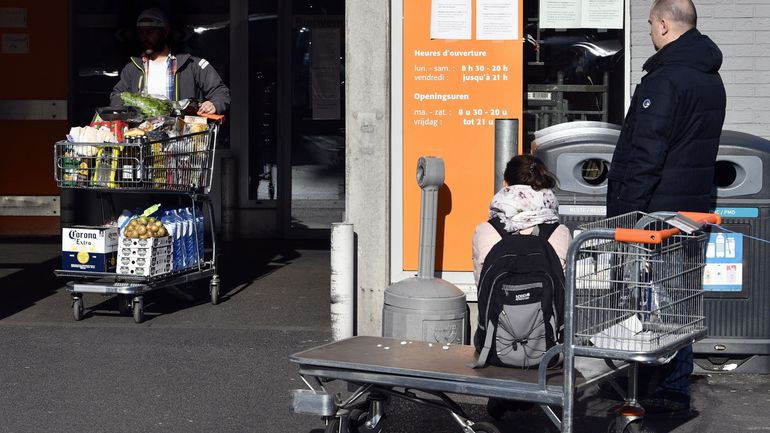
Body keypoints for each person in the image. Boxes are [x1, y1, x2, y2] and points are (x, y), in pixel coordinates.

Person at [604, 0, 726, 415]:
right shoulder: (710, 78)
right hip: (692, 208)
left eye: (651, 25)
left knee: (648, 299)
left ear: (663, 23)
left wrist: (627, 213)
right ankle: (668, 381)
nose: (649, 33)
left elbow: (645, 155)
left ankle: (662, 383)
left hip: (655, 213)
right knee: (680, 299)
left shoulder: (665, 81)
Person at [471, 154, 571, 418]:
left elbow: (482, 288)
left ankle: (501, 393)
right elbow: (564, 292)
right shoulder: (560, 232)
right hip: (551, 349)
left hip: (493, 348)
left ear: (505, 185)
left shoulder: (485, 230)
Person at [109, 7, 230, 115]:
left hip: (182, 136)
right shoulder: (132, 68)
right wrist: (125, 108)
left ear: (165, 32)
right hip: (144, 134)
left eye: (150, 32)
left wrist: (214, 104)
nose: (144, 37)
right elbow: (117, 95)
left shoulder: (192, 65)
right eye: (141, 32)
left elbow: (220, 92)